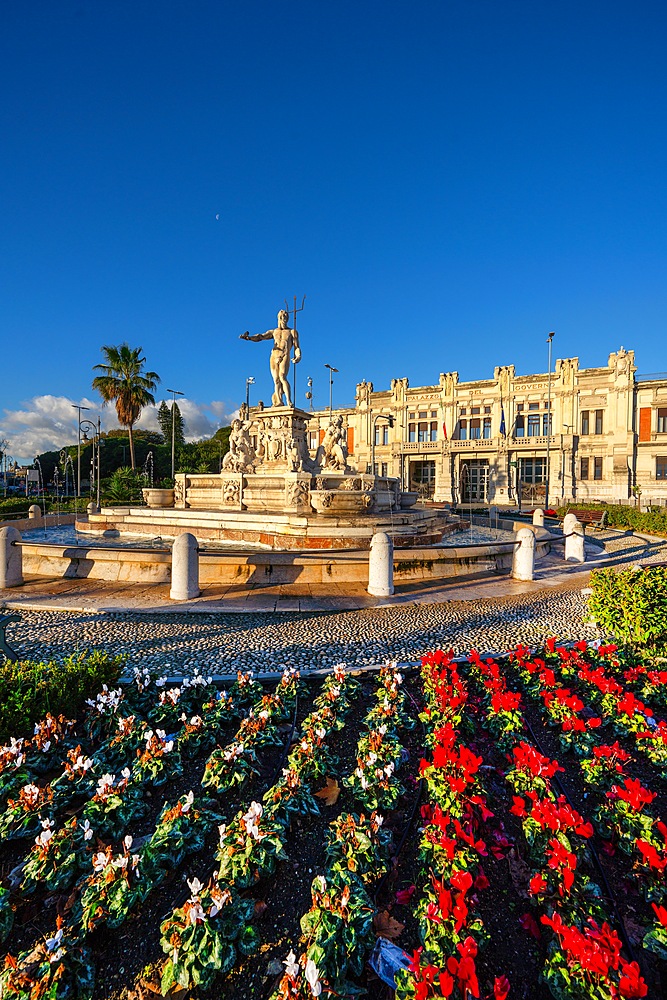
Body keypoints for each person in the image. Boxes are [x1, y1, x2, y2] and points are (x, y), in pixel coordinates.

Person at [240, 310, 301, 407]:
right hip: (274, 356)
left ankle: (289, 400)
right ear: (278, 318)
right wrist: (249, 338)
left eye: (285, 316)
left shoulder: (292, 332)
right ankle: (279, 401)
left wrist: (298, 356)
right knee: (276, 380)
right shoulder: (274, 332)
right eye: (281, 317)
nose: (283, 319)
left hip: (284, 355)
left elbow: (297, 347)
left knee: (282, 377)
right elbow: (261, 337)